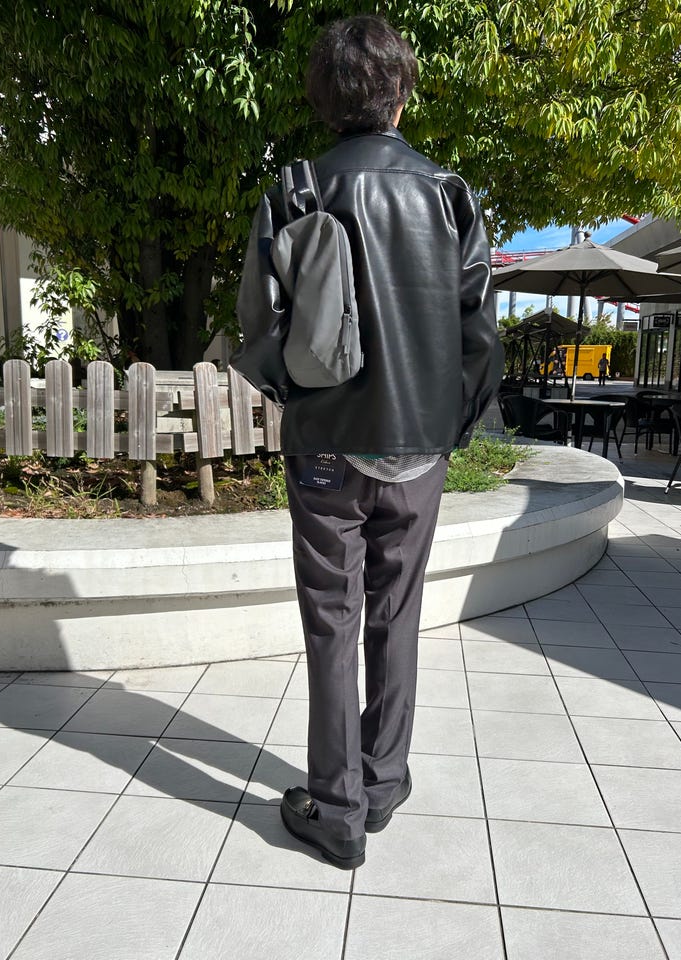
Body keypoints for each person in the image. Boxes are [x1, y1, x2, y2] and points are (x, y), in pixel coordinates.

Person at [232, 15, 504, 869]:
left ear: (324, 99)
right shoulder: (447, 193)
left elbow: (258, 326)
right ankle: (382, 782)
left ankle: (337, 810)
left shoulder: (296, 190)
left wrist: (301, 401)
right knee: (397, 614)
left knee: (331, 621)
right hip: (419, 447)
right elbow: (479, 336)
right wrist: (451, 425)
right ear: (400, 93)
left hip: (325, 446)